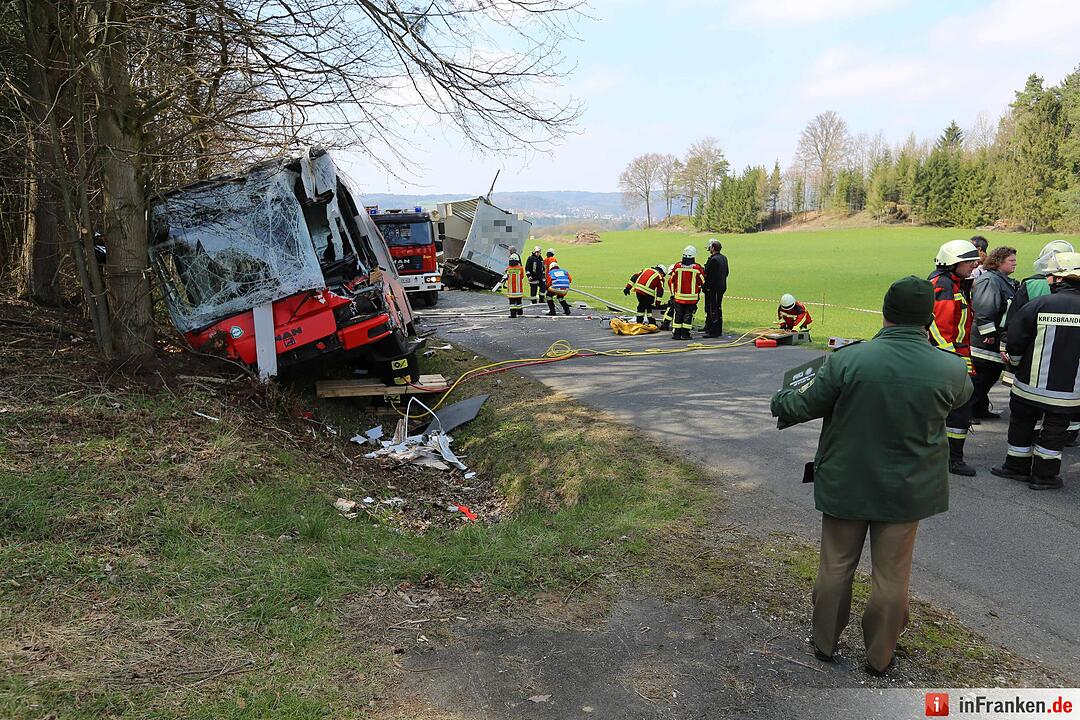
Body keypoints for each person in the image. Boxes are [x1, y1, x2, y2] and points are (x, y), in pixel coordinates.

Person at [771, 276, 972, 677]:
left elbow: (803, 403)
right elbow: (961, 399)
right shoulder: (950, 368)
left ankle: (825, 642)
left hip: (847, 480)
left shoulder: (848, 360)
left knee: (835, 566)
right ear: (928, 317)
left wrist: (782, 398)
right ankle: (880, 655)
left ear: (885, 312)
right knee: (892, 575)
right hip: (909, 489)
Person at [990, 252, 1080, 490]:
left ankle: (1015, 467)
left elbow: (1016, 340)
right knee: (1055, 430)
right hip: (1068, 391)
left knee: (1021, 423)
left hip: (1028, 385)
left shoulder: (1039, 304)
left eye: (1050, 276)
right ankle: (1044, 476)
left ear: (1059, 279)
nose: (1047, 280)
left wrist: (1016, 364)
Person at [928, 239, 980, 476]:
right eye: (969, 261)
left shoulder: (955, 284)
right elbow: (938, 326)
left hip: (957, 355)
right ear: (953, 263)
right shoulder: (945, 285)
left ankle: (947, 456)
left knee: (956, 407)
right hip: (951, 356)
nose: (974, 265)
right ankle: (953, 459)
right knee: (959, 408)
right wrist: (950, 357)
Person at [969, 246, 1019, 420]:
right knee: (982, 377)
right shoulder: (991, 281)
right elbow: (984, 308)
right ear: (999, 262)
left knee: (988, 376)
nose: (1015, 263)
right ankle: (968, 411)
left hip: (993, 337)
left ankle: (979, 409)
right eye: (1011, 260)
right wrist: (987, 333)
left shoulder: (1001, 280)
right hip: (985, 340)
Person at [667, 246, 704, 340]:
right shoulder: (696, 268)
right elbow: (702, 281)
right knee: (688, 315)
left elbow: (672, 279)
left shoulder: (677, 266)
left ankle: (676, 334)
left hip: (679, 297)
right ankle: (685, 334)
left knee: (678, 314)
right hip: (691, 298)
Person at [703, 239, 729, 337]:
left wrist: (707, 286)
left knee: (713, 308)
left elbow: (710, 276)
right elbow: (726, 272)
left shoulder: (714, 260)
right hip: (722, 286)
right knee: (718, 307)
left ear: (713, 248)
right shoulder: (724, 258)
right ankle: (717, 329)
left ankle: (714, 331)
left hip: (714, 288)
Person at [502, 253, 526, 318]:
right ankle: (520, 312)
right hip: (518, 290)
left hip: (511, 290)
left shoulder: (508, 268)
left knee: (512, 303)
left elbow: (506, 276)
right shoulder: (520, 268)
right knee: (519, 302)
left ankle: (513, 315)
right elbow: (522, 277)